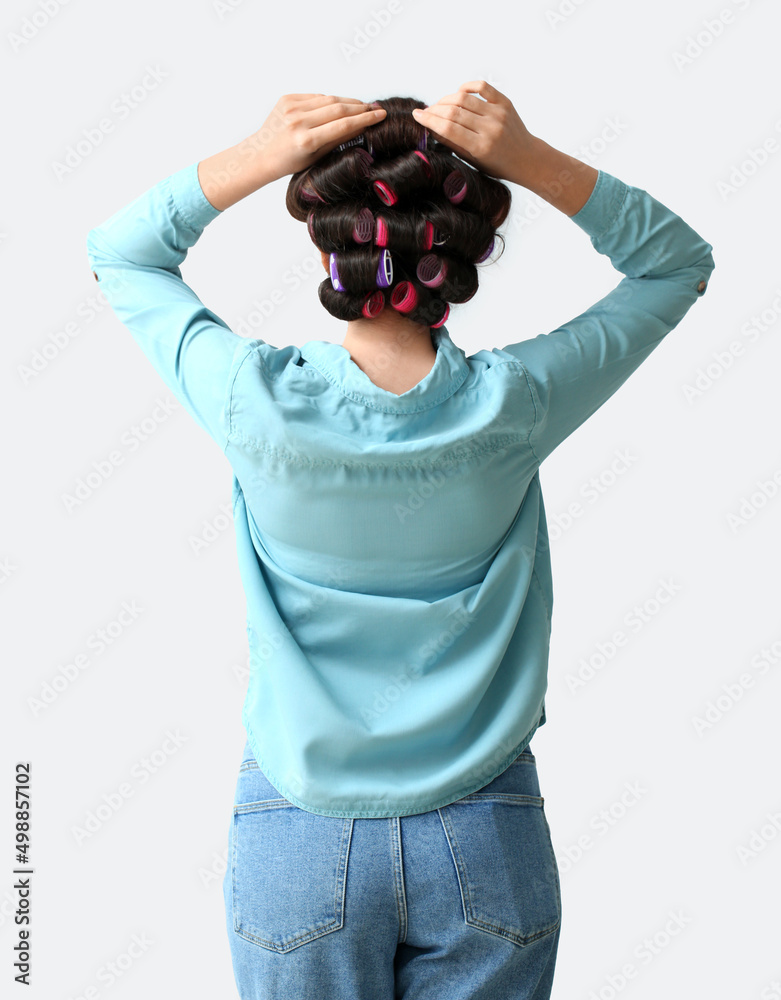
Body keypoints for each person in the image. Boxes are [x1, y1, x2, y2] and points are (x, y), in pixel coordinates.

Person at [85, 80, 715, 999]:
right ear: (456, 245)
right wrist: (531, 159)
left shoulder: (248, 399)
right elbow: (675, 264)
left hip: (297, 829)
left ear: (327, 236)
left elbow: (123, 257)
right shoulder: (517, 403)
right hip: (485, 828)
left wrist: (256, 155)